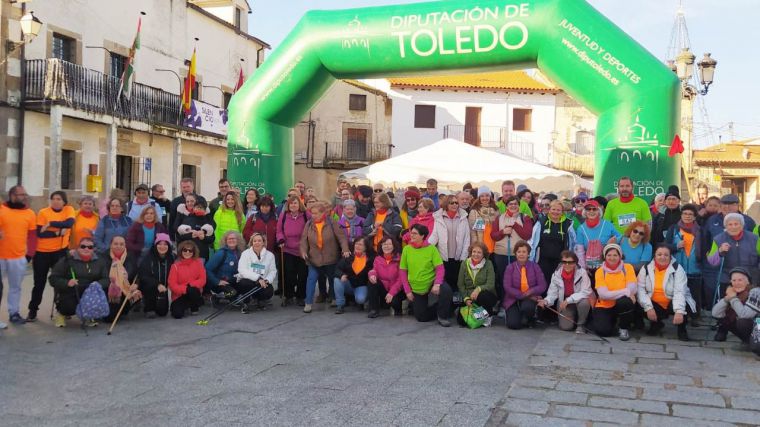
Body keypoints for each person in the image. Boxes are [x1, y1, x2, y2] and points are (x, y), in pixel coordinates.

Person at [28, 191, 76, 322]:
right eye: (53, 199)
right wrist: (58, 233)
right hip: (42, 252)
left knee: (60, 282)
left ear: (64, 201)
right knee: (39, 283)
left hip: (60, 252)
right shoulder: (43, 212)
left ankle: (63, 309)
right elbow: (39, 233)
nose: (56, 201)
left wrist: (50, 225)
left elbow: (69, 224)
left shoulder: (69, 210)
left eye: (59, 199)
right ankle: (33, 310)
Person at [637, 244, 696, 341]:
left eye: (666, 255)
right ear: (654, 256)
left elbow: (680, 292)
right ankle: (656, 324)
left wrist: (679, 311)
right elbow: (640, 289)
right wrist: (648, 307)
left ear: (670, 256)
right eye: (659, 254)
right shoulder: (646, 268)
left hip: (672, 301)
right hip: (653, 302)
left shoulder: (678, 269)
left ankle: (682, 329)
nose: (662, 257)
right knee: (637, 304)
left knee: (684, 306)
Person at [48, 237, 110, 327]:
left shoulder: (100, 261)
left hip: (90, 292)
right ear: (78, 247)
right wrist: (67, 282)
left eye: (90, 247)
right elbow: (53, 278)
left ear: (94, 249)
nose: (86, 249)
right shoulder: (67, 260)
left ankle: (89, 316)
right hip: (71, 291)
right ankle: (62, 313)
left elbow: (107, 279)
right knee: (69, 307)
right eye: (83, 246)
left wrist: (98, 284)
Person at [300, 202, 350, 313]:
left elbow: (341, 237)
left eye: (316, 213)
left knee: (332, 279)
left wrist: (345, 249)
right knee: (311, 279)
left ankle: (333, 298)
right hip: (314, 259)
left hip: (330, 257)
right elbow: (303, 240)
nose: (313, 215)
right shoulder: (308, 224)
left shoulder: (332, 222)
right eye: (312, 213)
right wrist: (303, 251)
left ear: (323, 213)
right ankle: (308, 303)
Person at [400, 224, 453, 327]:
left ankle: (442, 316)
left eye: (415, 233)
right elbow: (402, 271)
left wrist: (437, 284)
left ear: (422, 236)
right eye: (411, 233)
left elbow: (440, 268)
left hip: (431, 281)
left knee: (446, 290)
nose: (412, 235)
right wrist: (407, 291)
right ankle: (441, 309)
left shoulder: (432, 249)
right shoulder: (406, 249)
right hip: (417, 286)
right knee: (421, 317)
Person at [0, 186, 37, 326]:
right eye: (21, 194)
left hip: (18, 257)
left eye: (25, 194)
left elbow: (33, 236)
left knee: (15, 287)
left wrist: (30, 254)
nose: (24, 197)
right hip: (0, 256)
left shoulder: (30, 213)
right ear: (12, 195)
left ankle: (13, 313)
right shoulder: (1, 210)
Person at [706, 213, 760, 303]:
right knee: (728, 309)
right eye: (730, 224)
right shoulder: (719, 239)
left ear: (742, 225)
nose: (733, 227)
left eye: (736, 224)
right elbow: (712, 261)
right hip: (728, 280)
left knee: (750, 308)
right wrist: (719, 251)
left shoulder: (754, 238)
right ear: (725, 226)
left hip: (750, 280)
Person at [490, 195, 533, 302]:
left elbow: (527, 235)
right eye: (510, 204)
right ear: (506, 206)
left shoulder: (525, 218)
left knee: (518, 279)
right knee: (503, 279)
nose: (513, 206)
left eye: (515, 204)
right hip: (501, 254)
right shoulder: (499, 218)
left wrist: (515, 225)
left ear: (519, 205)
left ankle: (518, 301)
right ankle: (503, 302)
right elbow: (493, 235)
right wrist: (503, 232)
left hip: (518, 256)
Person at [538, 250, 592, 333]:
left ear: (575, 263)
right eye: (564, 262)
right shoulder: (556, 274)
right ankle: (573, 318)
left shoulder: (582, 273)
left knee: (585, 303)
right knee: (566, 327)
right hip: (563, 302)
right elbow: (552, 293)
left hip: (577, 300)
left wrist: (569, 300)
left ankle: (581, 324)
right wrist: (546, 301)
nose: (567, 265)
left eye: (570, 262)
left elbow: (586, 291)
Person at [664, 204, 703, 316]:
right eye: (685, 213)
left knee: (695, 294)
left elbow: (705, 248)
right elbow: (665, 246)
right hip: (678, 268)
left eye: (690, 214)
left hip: (695, 269)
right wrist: (676, 246)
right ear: (681, 215)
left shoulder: (700, 231)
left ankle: (695, 316)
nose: (687, 216)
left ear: (695, 217)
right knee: (678, 293)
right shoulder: (674, 229)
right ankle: (680, 314)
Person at [593, 243, 637, 340]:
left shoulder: (628, 267)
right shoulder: (600, 271)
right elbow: (603, 295)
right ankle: (612, 321)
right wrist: (625, 291)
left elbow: (633, 289)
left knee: (625, 302)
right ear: (605, 256)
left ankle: (623, 328)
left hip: (621, 303)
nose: (612, 258)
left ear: (620, 256)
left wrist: (625, 293)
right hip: (604, 305)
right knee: (602, 331)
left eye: (615, 255)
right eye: (609, 255)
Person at [711, 267, 760, 353]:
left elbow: (745, 315)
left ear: (748, 281)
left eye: (740, 280)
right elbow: (715, 313)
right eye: (734, 280)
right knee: (726, 319)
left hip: (758, 325)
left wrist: (733, 298)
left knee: (743, 321)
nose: (736, 283)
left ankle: (754, 344)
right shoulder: (734, 292)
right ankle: (747, 342)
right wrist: (727, 299)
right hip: (752, 327)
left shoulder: (755, 292)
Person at [429, 196, 470, 294]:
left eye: (456, 203)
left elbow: (467, 238)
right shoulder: (439, 218)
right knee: (446, 284)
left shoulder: (463, 218)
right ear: (446, 204)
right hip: (444, 257)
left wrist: (464, 256)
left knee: (457, 282)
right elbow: (435, 235)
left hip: (458, 257)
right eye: (452, 203)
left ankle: (456, 306)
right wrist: (425, 247)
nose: (455, 205)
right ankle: (448, 305)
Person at [530, 200, 577, 284]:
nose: (555, 212)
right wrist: (531, 259)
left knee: (558, 284)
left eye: (558, 210)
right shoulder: (541, 222)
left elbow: (574, 243)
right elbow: (532, 241)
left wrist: (572, 260)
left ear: (562, 212)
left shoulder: (568, 224)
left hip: (560, 261)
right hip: (543, 260)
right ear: (549, 210)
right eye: (553, 209)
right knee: (543, 283)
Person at [502, 241, 546, 329]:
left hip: (530, 299)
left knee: (527, 308)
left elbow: (542, 285)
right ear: (515, 254)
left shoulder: (535, 266)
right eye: (519, 252)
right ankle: (517, 316)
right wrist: (525, 295)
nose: (521, 254)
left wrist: (530, 292)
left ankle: (530, 318)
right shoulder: (510, 267)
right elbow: (507, 287)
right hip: (513, 299)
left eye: (524, 252)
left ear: (528, 254)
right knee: (513, 325)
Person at [456, 242, 499, 326]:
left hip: (485, 296)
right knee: (462, 322)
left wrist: (478, 289)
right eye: (474, 251)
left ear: (484, 254)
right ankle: (478, 315)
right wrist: (466, 298)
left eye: (479, 252)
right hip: (469, 296)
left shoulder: (488, 264)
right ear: (470, 253)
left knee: (483, 296)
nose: (476, 254)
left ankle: (488, 316)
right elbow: (460, 284)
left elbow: (490, 284)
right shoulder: (464, 264)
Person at [277, 196, 308, 306]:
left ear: (299, 204)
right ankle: (289, 296)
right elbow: (279, 230)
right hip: (288, 249)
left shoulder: (305, 215)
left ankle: (301, 296)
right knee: (289, 274)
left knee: (303, 274)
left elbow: (311, 228)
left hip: (303, 249)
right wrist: (280, 239)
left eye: (295, 203)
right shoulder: (284, 215)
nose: (293, 205)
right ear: (288, 205)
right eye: (291, 203)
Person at [103, 235, 140, 322]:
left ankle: (125, 309)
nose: (118, 246)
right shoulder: (104, 257)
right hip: (111, 291)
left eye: (121, 244)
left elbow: (137, 274)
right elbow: (102, 277)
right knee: (109, 319)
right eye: (115, 244)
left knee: (137, 294)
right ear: (110, 245)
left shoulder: (131, 257)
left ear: (125, 246)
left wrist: (136, 284)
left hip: (126, 289)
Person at [574, 200, 620, 271]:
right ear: (585, 212)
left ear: (599, 211)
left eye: (594, 209)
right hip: (589, 268)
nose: (591, 211)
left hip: (607, 266)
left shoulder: (607, 225)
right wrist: (583, 269)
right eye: (588, 209)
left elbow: (620, 237)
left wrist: (612, 243)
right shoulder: (581, 229)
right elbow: (580, 251)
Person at [237, 232, 278, 309]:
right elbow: (242, 269)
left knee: (269, 290)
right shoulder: (245, 254)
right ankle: (246, 302)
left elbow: (272, 271)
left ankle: (260, 300)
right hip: (248, 280)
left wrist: (267, 280)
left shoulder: (270, 255)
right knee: (244, 284)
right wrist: (258, 278)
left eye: (259, 241)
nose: (257, 243)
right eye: (254, 241)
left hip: (263, 281)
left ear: (263, 242)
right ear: (251, 243)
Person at [333, 237, 373, 314]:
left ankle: (357, 300)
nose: (357, 246)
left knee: (360, 299)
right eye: (356, 244)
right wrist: (341, 275)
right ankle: (340, 305)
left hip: (361, 285)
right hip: (349, 284)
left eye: (360, 244)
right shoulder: (348, 256)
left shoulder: (370, 259)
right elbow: (337, 269)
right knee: (337, 280)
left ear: (365, 247)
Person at [137, 233, 173, 318]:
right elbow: (144, 276)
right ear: (155, 245)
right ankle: (149, 308)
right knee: (148, 286)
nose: (162, 247)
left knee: (162, 313)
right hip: (152, 288)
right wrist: (157, 284)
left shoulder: (171, 258)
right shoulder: (148, 258)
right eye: (159, 244)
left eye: (165, 244)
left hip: (165, 289)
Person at [367, 236, 404, 318]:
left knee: (395, 302)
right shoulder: (378, 259)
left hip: (397, 290)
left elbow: (401, 279)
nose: (386, 246)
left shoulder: (400, 259)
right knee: (371, 282)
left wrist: (391, 293)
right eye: (384, 244)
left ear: (394, 246)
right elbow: (374, 270)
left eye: (389, 244)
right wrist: (372, 275)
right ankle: (374, 310)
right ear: (381, 246)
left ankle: (398, 309)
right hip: (384, 288)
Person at [168, 241, 206, 319]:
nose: (187, 252)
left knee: (193, 290)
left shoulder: (198, 263)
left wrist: (190, 286)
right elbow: (172, 284)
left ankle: (194, 306)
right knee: (177, 315)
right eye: (185, 250)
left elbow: (202, 279)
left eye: (190, 250)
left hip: (194, 291)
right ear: (181, 251)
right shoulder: (175, 266)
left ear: (193, 252)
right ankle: (196, 303)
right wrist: (186, 289)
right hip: (180, 295)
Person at [205, 230, 245, 304]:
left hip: (233, 281)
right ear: (225, 241)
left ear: (238, 240)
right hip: (220, 283)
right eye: (229, 239)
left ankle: (232, 297)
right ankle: (218, 296)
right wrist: (217, 281)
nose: (231, 240)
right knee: (232, 293)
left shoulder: (240, 253)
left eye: (234, 238)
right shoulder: (221, 253)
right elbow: (207, 269)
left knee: (244, 288)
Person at [468, 186, 498, 255]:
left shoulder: (496, 210)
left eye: (487, 195)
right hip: (481, 246)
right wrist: (476, 246)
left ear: (490, 197)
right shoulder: (474, 211)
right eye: (482, 196)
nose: (485, 198)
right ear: (479, 198)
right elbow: (473, 232)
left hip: (494, 246)